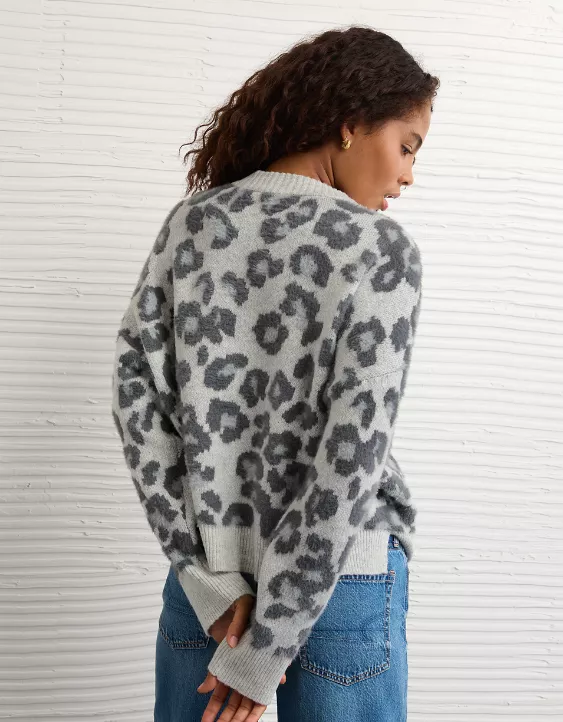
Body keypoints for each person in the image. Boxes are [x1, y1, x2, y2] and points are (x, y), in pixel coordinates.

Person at [111, 24, 439, 722]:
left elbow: (138, 407)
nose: (408, 174)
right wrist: (273, 638)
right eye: (407, 146)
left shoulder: (192, 224)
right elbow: (351, 457)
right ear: (350, 124)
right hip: (341, 584)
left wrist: (209, 581)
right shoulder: (380, 249)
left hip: (210, 590)